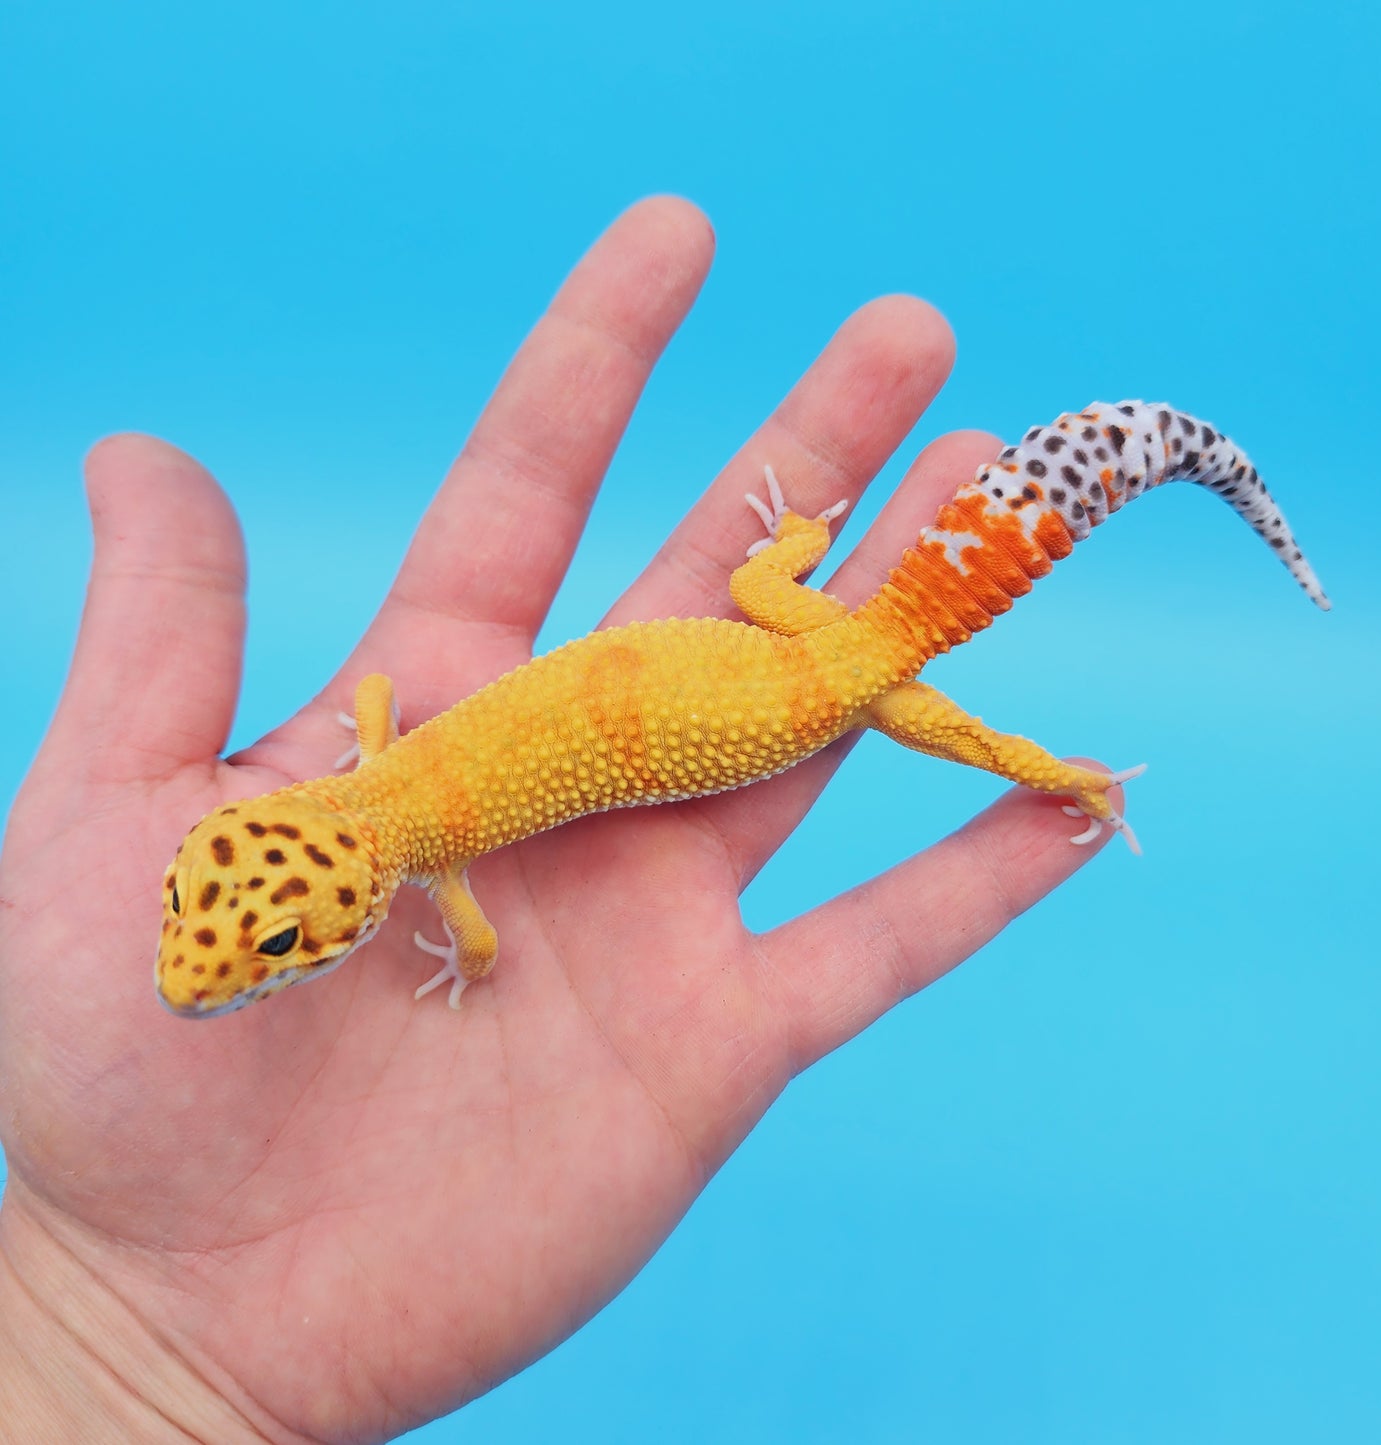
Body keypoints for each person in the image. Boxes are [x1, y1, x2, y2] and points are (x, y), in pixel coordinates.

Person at [0, 197, 1122, 1441]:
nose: (194, 979)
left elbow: (480, 947)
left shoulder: (429, 859)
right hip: (784, 627)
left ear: (350, 903)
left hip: (819, 694)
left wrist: (458, 959)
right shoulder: (383, 771)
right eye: (228, 935)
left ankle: (1065, 774)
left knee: (944, 721)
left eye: (254, 946)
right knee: (789, 589)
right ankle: (1044, 720)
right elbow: (373, 700)